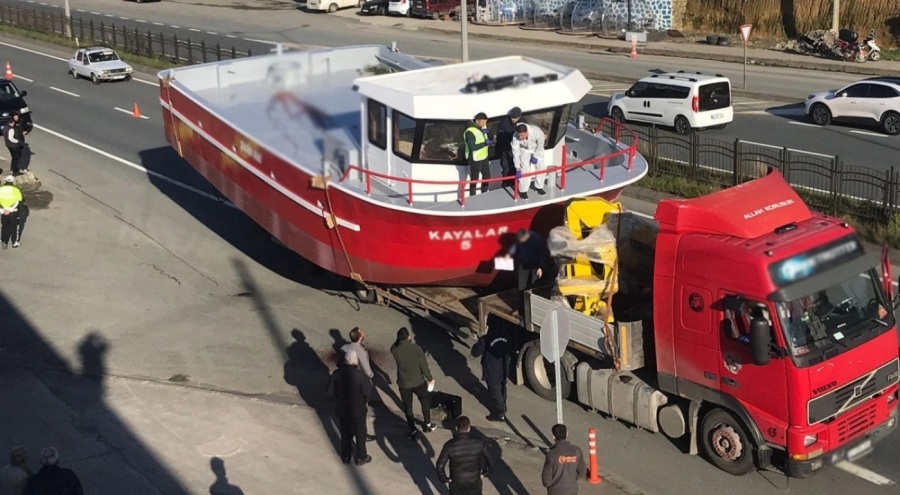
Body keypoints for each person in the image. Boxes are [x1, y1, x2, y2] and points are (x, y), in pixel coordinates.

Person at [326, 349, 374, 466]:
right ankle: (361, 456)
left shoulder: (337, 374)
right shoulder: (361, 376)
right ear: (355, 361)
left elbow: (329, 392)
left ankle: (346, 456)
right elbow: (368, 393)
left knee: (345, 432)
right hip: (358, 410)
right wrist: (364, 400)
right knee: (360, 432)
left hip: (342, 409)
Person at [390, 327, 436, 440]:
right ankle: (428, 425)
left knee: (408, 407)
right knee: (424, 402)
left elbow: (393, 346)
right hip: (419, 382)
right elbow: (423, 366)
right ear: (408, 337)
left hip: (404, 384)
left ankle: (413, 430)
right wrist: (430, 378)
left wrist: (399, 341)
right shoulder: (416, 348)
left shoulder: (396, 350)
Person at [436, 416, 492, 495]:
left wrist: (444, 478)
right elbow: (490, 459)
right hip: (474, 481)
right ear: (469, 428)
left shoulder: (449, 445)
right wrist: (485, 473)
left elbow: (440, 465)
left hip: (457, 482)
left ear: (456, 428)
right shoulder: (479, 442)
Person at [471, 317, 512, 422]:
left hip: (492, 370)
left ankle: (499, 413)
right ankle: (503, 405)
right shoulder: (506, 336)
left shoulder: (486, 339)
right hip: (504, 367)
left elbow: (475, 352)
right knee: (503, 386)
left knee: (495, 390)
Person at [541, 424, 586, 495]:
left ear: (553, 437)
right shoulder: (576, 450)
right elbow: (582, 471)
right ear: (567, 434)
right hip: (572, 491)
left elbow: (546, 481)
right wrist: (571, 480)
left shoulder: (551, 454)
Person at [511, 122, 546, 199]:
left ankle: (539, 187)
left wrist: (535, 156)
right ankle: (523, 191)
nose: (520, 137)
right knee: (525, 170)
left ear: (527, 132)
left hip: (536, 149)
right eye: (519, 135)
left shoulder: (537, 132)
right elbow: (515, 152)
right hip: (524, 150)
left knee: (541, 167)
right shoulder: (515, 136)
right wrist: (517, 167)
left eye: (522, 135)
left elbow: (540, 146)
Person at [464, 112, 494, 196]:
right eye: (483, 122)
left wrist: (489, 134)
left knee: (487, 176)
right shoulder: (469, 132)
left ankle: (484, 193)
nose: (485, 124)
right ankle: (472, 196)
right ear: (477, 121)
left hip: (484, 156)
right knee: (474, 179)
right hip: (474, 158)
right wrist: (485, 143)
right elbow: (472, 147)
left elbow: (487, 137)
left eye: (486, 122)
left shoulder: (481, 129)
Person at [496, 107, 523, 186]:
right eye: (512, 117)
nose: (513, 120)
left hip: (518, 151)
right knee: (506, 169)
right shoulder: (503, 123)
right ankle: (505, 186)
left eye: (515, 118)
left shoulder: (523, 123)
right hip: (506, 150)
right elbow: (499, 137)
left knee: (516, 169)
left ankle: (515, 185)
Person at [0, 175, 23, 249]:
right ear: (13, 181)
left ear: (6, 181)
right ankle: (14, 242)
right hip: (13, 211)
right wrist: (10, 209)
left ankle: (4, 241)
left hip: (3, 212)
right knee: (14, 227)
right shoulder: (16, 190)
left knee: (4, 226)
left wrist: (3, 210)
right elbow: (18, 202)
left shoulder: (1, 189)